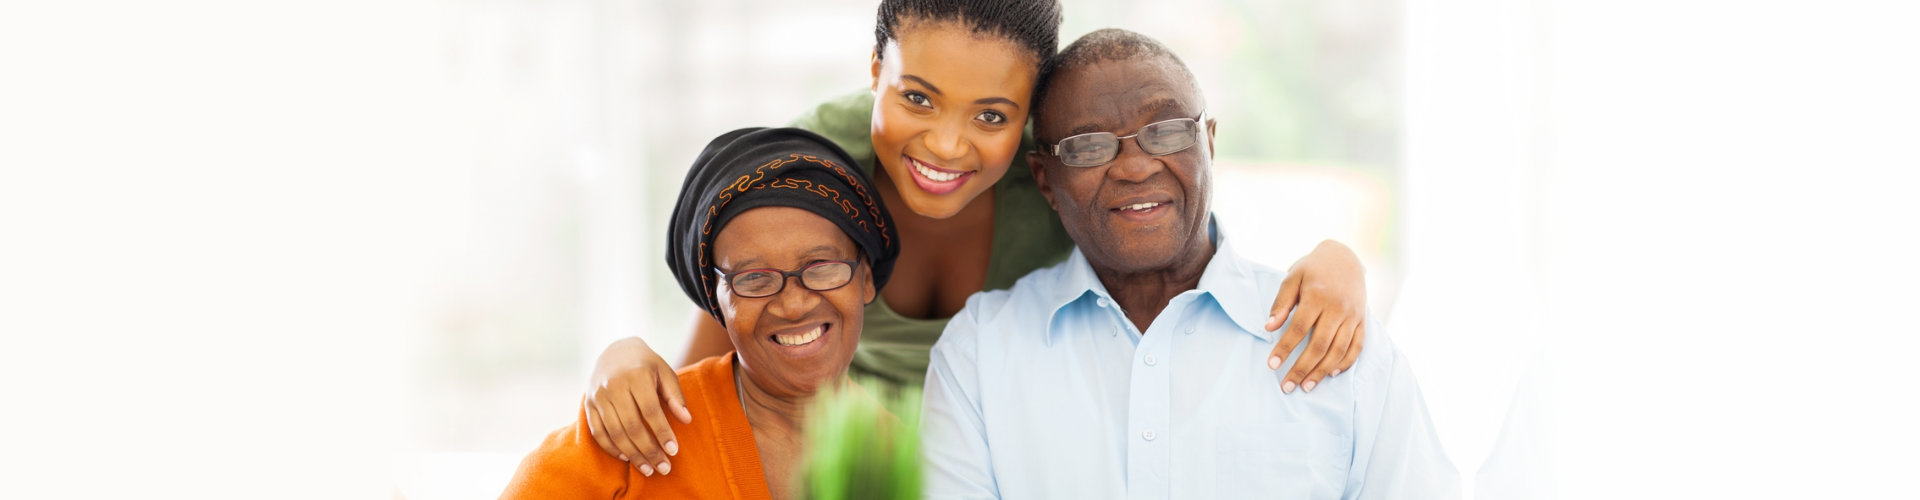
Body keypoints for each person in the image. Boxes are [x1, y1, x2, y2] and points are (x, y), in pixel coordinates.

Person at [585, 0, 1375, 475]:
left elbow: (1174, 240)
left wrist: (1338, 262)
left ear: (1032, 122)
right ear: (873, 70)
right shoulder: (816, 170)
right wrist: (622, 358)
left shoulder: (1060, 187)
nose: (946, 146)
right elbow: (714, 362)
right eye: (918, 98)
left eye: (990, 116)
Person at [919, 29, 1458, 499]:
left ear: (1210, 143)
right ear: (1045, 181)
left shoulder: (1338, 342)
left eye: (1169, 130)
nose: (1134, 166)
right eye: (1089, 145)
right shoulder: (980, 354)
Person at [501, 127, 901, 499]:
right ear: (718, 300)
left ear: (864, 278)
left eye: (822, 267)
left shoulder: (911, 459)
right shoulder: (635, 434)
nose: (794, 304)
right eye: (754, 278)